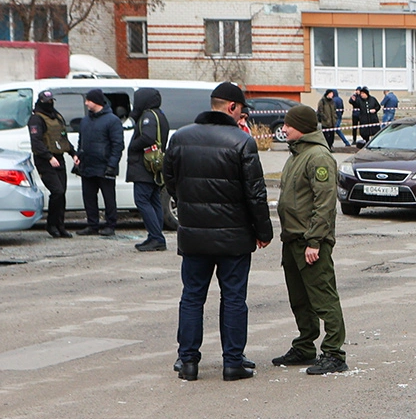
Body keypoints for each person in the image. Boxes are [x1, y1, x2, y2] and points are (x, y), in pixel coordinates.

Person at [162, 81, 273, 381]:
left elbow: (170, 181)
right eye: (241, 112)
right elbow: (256, 194)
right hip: (234, 237)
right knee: (234, 298)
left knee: (192, 297)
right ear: (232, 107)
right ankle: (232, 362)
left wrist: (190, 204)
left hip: (194, 235)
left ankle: (187, 362)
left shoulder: (181, 138)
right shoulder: (241, 142)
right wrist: (263, 230)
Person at [271, 105, 349, 375]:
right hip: (292, 239)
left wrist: (314, 241)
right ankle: (305, 346)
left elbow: (325, 203)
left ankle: (334, 353)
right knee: (300, 299)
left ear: (301, 126)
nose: (283, 128)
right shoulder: (297, 154)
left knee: (323, 297)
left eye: (288, 125)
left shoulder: (318, 156)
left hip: (310, 242)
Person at [27, 90, 79, 238]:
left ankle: (60, 226)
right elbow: (36, 142)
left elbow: (62, 138)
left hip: (59, 158)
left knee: (61, 193)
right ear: (40, 101)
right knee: (57, 191)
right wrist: (49, 157)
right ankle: (51, 225)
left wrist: (73, 153)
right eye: (46, 101)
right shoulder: (36, 119)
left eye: (51, 100)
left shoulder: (56, 116)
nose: (49, 103)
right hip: (44, 160)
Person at [126, 88, 171, 252]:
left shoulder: (148, 116)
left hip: (144, 166)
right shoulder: (159, 114)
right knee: (154, 201)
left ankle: (157, 237)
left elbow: (148, 137)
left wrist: (133, 145)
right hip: (153, 167)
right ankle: (154, 236)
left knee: (142, 200)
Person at [76, 89, 124, 237]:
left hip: (105, 166)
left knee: (109, 197)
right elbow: (81, 141)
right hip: (87, 165)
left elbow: (117, 145)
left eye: (88, 100)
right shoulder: (85, 120)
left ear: (96, 101)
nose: (86, 103)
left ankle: (111, 225)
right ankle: (92, 225)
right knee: (89, 197)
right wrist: (78, 155)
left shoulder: (112, 120)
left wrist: (111, 165)